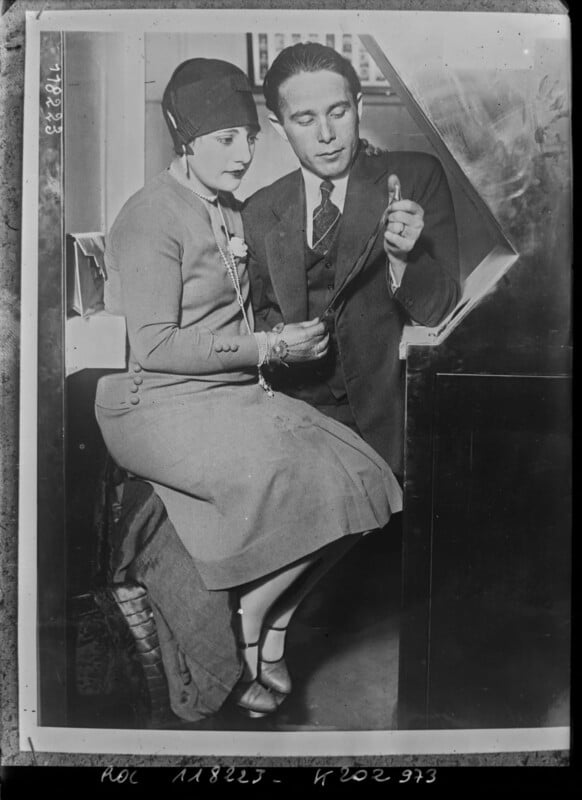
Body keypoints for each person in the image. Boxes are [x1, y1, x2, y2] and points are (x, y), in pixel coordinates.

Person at [95, 58, 402, 720]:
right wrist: (266, 347)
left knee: (367, 477)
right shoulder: (152, 216)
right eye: (223, 140)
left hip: (234, 397)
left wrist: (286, 338)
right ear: (186, 140)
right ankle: (249, 633)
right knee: (297, 476)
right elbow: (152, 345)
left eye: (248, 137)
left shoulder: (230, 210)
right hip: (159, 404)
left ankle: (265, 616)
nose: (242, 154)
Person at [243, 43, 461, 477]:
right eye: (305, 120)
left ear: (359, 106)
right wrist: (281, 341)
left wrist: (403, 258)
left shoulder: (417, 178)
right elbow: (255, 322)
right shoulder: (257, 210)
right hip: (291, 433)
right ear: (279, 127)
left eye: (338, 112)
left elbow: (444, 311)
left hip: (387, 434)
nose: (326, 134)